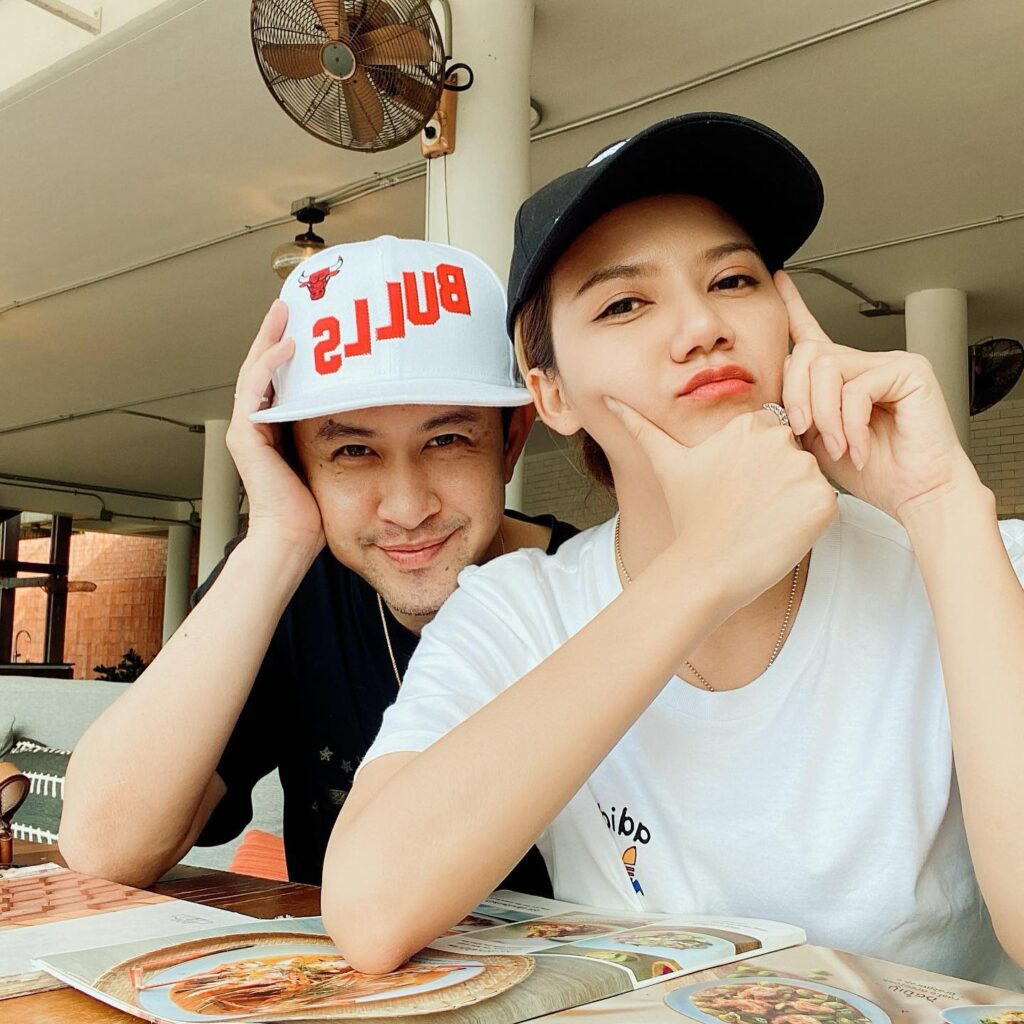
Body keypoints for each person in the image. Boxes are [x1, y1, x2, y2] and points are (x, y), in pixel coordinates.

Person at [322, 115, 1024, 988]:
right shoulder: (514, 610)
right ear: (551, 394)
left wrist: (942, 507)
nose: (701, 325)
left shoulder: (977, 562)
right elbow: (371, 911)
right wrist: (705, 568)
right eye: (624, 303)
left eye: (733, 280)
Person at [59, 236, 578, 891]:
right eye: (353, 451)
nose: (407, 508)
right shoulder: (289, 588)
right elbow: (104, 847)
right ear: (295, 460)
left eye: (447, 439)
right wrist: (276, 538)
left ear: (510, 442)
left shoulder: (601, 589)